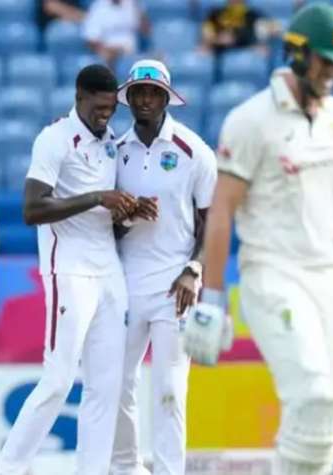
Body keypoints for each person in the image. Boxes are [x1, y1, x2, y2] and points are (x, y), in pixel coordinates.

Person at [183, 3, 333, 474]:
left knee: (324, 424)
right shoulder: (250, 120)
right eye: (326, 61)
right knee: (315, 401)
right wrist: (211, 299)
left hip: (332, 286)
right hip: (274, 278)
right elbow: (221, 212)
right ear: (297, 53)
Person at [0, 64, 140, 475]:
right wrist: (98, 197)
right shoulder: (55, 139)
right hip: (69, 271)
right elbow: (32, 209)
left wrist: (128, 212)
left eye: (111, 109)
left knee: (105, 386)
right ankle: (7, 470)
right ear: (79, 98)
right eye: (98, 108)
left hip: (109, 272)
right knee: (58, 381)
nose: (105, 116)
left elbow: (108, 214)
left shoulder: (110, 143)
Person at [110, 60, 217, 475]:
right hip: (125, 283)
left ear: (166, 99)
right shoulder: (115, 152)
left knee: (170, 387)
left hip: (175, 286)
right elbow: (104, 228)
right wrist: (127, 216)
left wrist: (194, 270)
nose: (145, 100)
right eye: (138, 92)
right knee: (117, 381)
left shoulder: (194, 151)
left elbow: (212, 223)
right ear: (129, 97)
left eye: (153, 93)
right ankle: (127, 467)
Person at [83, 0, 148, 66]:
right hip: (108, 53)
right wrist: (107, 51)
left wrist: (139, 9)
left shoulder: (132, 4)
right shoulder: (98, 7)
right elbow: (91, 38)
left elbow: (146, 31)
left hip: (132, 54)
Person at [200, 0, 274, 54]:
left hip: (247, 50)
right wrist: (217, 40)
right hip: (220, 51)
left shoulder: (253, 15)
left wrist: (235, 38)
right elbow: (207, 35)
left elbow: (271, 29)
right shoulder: (216, 14)